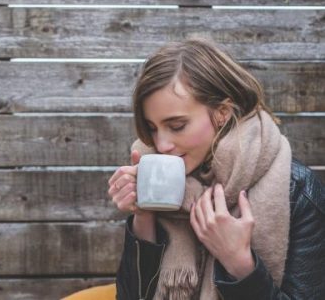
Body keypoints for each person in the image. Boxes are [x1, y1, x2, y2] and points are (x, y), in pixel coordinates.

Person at [107, 38, 324, 299]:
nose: (161, 144)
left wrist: (238, 262)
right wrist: (143, 217)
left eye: (177, 126)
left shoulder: (297, 190)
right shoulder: (158, 183)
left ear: (222, 112)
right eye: (152, 128)